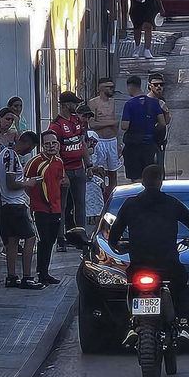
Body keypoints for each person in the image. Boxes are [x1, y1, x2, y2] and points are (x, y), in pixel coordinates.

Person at [107, 164, 189, 345]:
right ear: (160, 182)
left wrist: (119, 246)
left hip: (139, 264)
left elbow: (114, 234)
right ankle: (183, 324)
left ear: (143, 182)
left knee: (131, 286)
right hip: (168, 265)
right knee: (183, 284)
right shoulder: (172, 203)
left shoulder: (130, 204)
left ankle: (132, 325)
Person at [0, 128, 41, 290]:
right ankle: (27, 277)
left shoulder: (4, 154)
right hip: (15, 205)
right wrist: (28, 183)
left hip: (6, 205)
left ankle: (11, 276)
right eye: (31, 148)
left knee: (12, 241)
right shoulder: (11, 156)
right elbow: (10, 183)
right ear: (27, 143)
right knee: (30, 238)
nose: (29, 151)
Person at [25, 130, 68, 287]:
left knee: (50, 241)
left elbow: (61, 181)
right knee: (43, 241)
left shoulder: (59, 162)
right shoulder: (35, 162)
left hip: (56, 208)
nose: (51, 146)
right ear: (42, 146)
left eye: (54, 143)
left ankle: (45, 272)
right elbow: (26, 183)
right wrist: (35, 201)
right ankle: (40, 273)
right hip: (40, 209)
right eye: (48, 144)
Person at [49, 91, 91, 242]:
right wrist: (62, 173)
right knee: (62, 205)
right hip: (64, 170)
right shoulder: (56, 125)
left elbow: (82, 143)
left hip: (79, 168)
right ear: (66, 105)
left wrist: (89, 164)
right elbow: (54, 151)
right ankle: (61, 237)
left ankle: (81, 234)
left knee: (80, 204)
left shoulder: (77, 121)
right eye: (74, 103)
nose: (76, 106)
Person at [119, 75, 164, 182]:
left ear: (129, 87)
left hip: (133, 147)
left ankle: (138, 196)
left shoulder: (129, 104)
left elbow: (125, 126)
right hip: (149, 146)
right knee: (148, 175)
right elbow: (162, 123)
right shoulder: (154, 103)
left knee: (135, 178)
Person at [84, 76, 123, 199]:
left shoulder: (112, 102)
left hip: (112, 140)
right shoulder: (93, 102)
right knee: (99, 170)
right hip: (99, 140)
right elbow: (92, 124)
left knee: (113, 171)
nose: (111, 89)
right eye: (108, 87)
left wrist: (118, 144)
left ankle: (113, 196)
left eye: (112, 87)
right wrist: (111, 123)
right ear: (100, 88)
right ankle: (101, 196)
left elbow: (116, 125)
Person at [146, 72, 172, 169]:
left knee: (160, 166)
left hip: (160, 139)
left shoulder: (161, 100)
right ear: (150, 86)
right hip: (150, 140)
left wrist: (166, 111)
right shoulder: (147, 102)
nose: (159, 87)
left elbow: (167, 121)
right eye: (156, 85)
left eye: (161, 85)